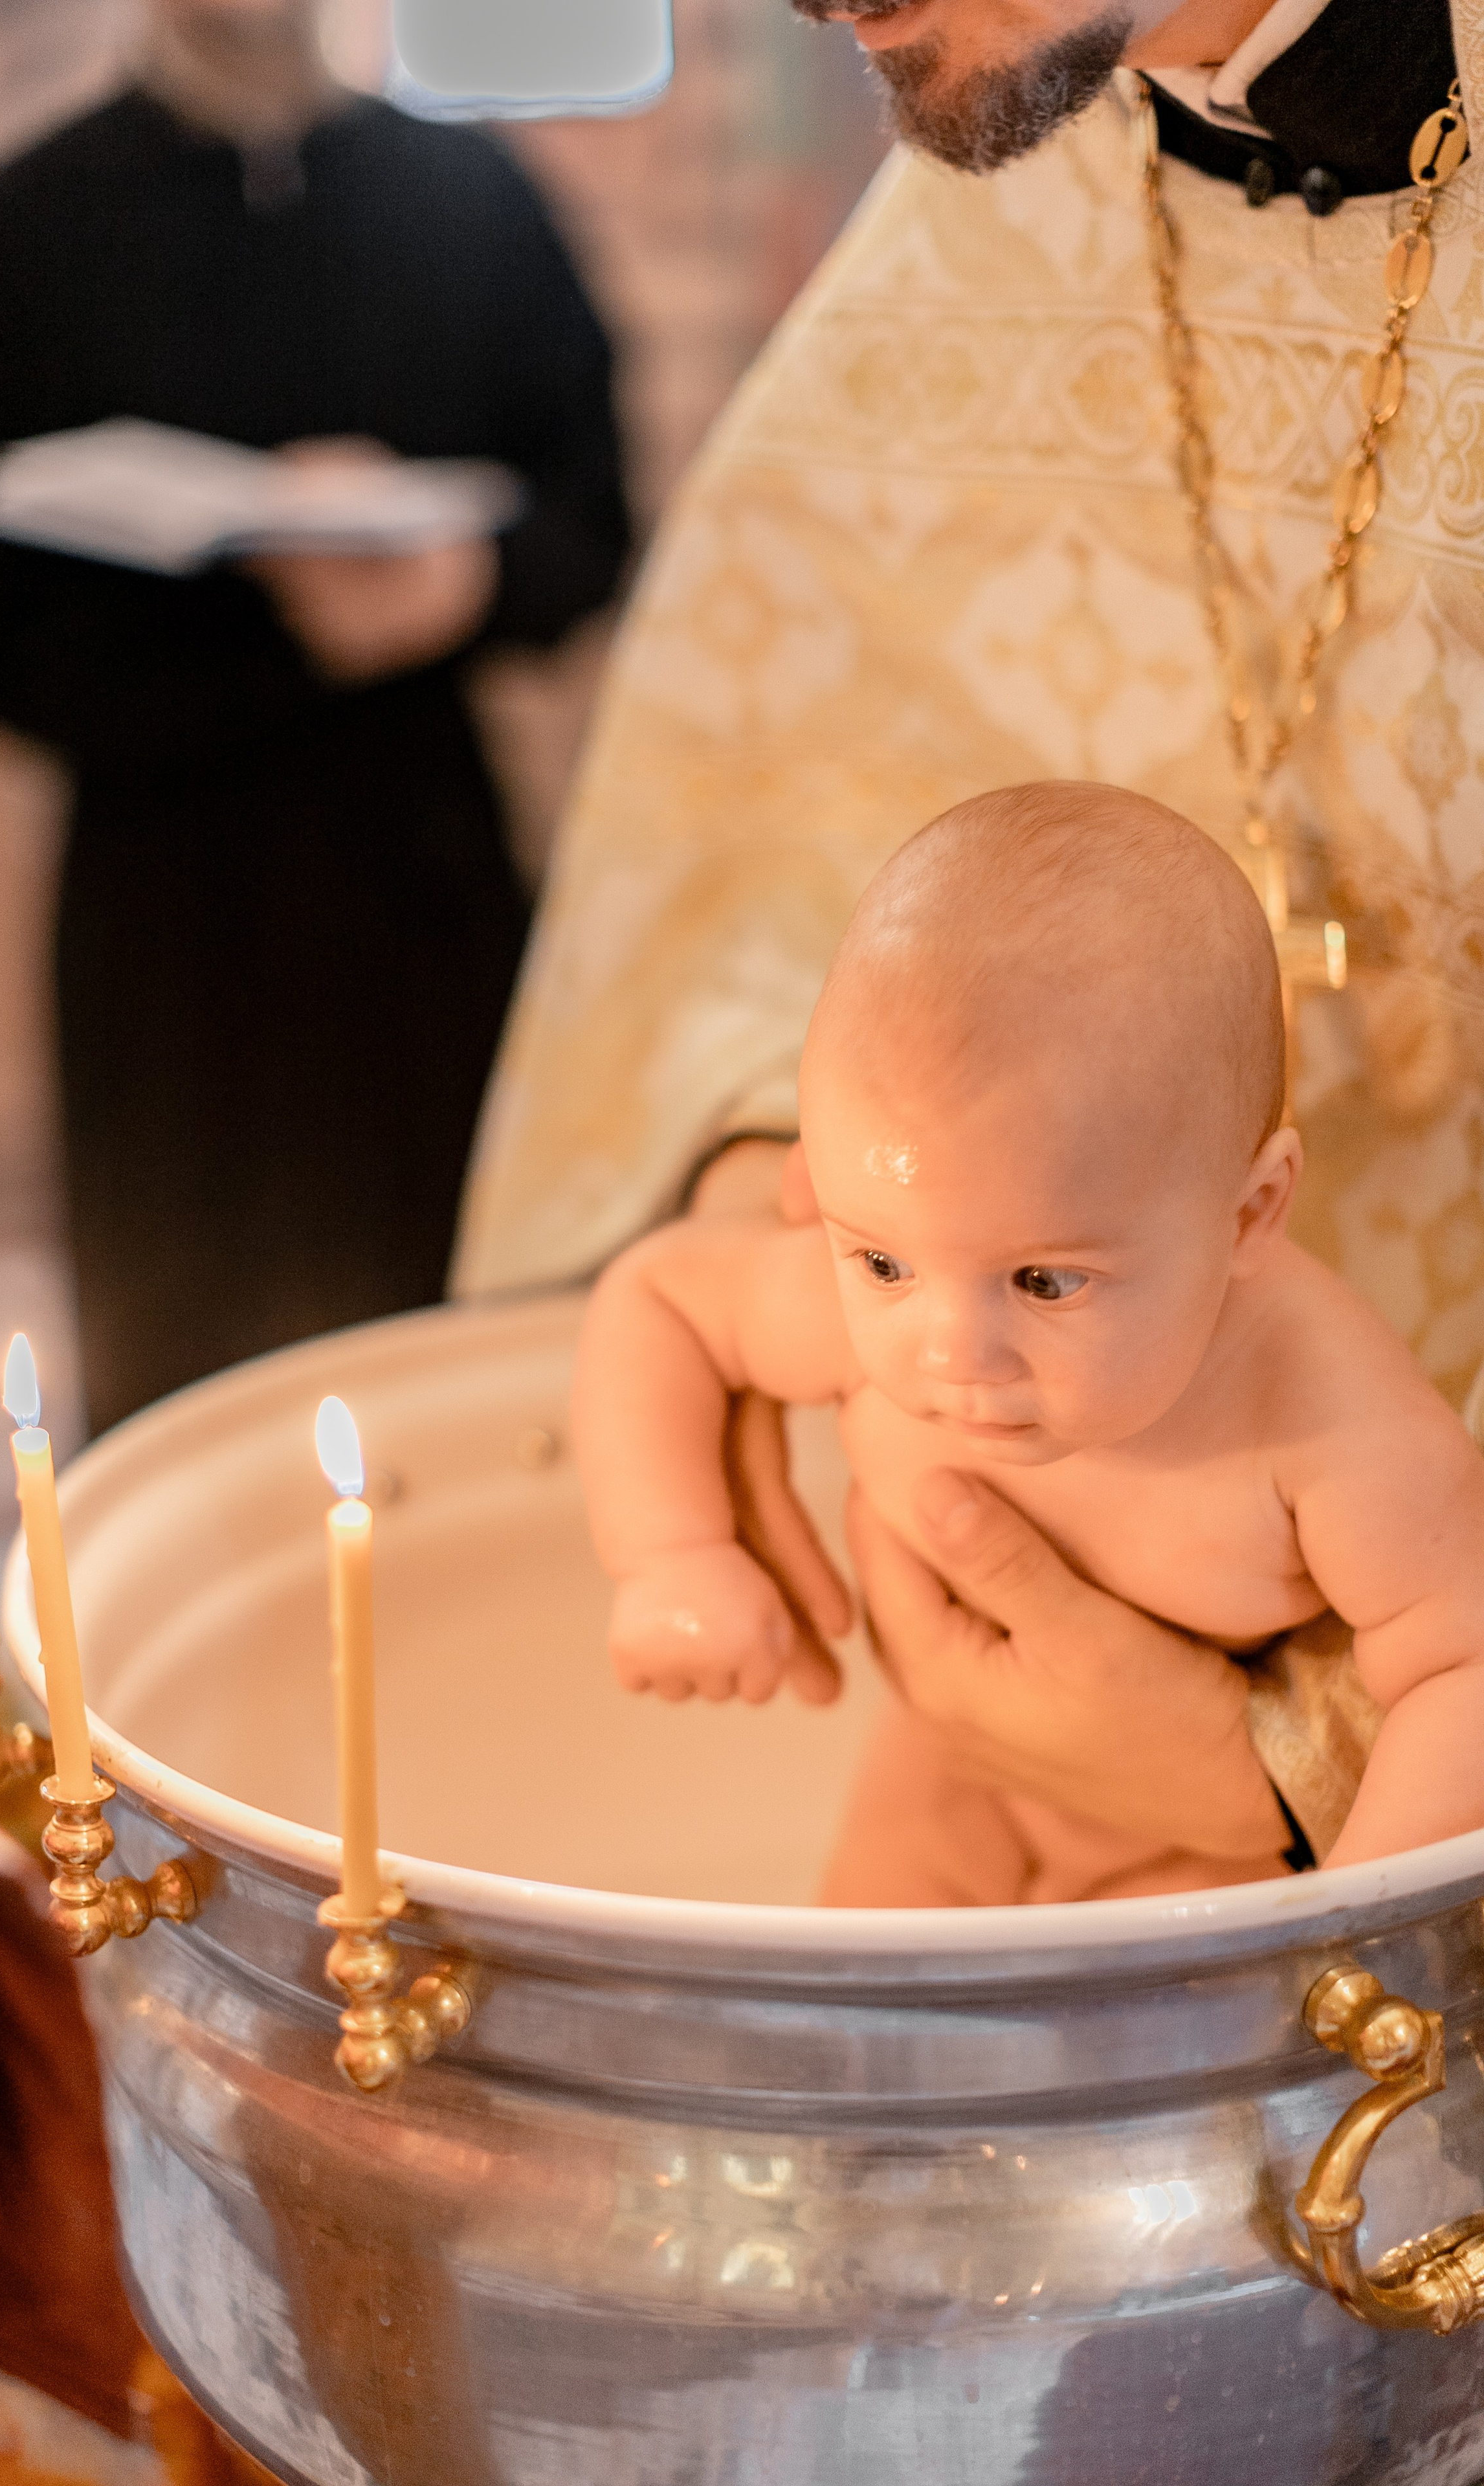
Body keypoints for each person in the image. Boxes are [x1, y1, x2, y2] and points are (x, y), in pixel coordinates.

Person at [454, 0, 1476, 1877]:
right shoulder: (997, 173)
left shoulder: (1322, 1412)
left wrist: (1297, 1784)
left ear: (1254, 1212)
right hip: (955, 1733)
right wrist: (814, 1202)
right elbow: (748, 870)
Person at [0, 0, 628, 1436]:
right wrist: (279, 644)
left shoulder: (474, 196)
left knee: (448, 1366)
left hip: (423, 878)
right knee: (183, 1381)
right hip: (166, 905)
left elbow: (593, 524)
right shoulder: (26, 220)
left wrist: (460, 585)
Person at [575, 785, 1484, 1900]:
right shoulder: (919, 1255)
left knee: (1157, 2008)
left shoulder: (1322, 1420)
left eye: (1046, 1281)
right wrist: (674, 1556)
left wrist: (1349, 1910)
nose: (952, 1351)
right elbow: (661, 1300)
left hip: (1214, 1834)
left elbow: (1464, 1661)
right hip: (950, 1764)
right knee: (860, 1978)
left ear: (1249, 1214)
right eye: (882, 1265)